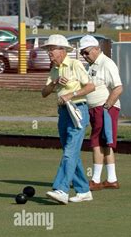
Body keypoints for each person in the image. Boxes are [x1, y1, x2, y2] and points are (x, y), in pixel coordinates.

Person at [41, 34, 95, 204]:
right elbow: (44, 93)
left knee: (70, 152)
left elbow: (90, 86)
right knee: (70, 152)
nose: (49, 52)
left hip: (78, 109)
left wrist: (71, 94)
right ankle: (84, 190)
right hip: (63, 112)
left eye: (52, 49)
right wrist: (55, 82)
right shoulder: (54, 69)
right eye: (48, 49)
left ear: (62, 50)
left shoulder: (75, 64)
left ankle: (61, 189)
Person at [79, 35, 123, 190]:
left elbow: (118, 88)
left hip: (104, 108)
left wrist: (106, 108)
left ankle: (96, 180)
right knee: (105, 143)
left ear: (97, 49)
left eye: (86, 52)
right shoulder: (91, 65)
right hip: (96, 109)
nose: (84, 56)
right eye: (82, 53)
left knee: (97, 142)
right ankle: (111, 179)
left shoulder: (107, 63)